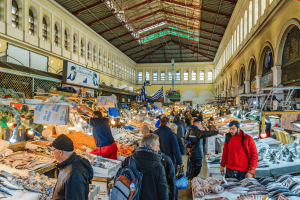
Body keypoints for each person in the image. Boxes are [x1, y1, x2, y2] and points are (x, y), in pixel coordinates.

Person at [122, 134, 169, 200]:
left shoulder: (129, 160)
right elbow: (163, 190)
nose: (159, 149)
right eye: (158, 146)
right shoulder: (158, 166)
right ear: (151, 146)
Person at [52, 134, 93, 200]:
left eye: (53, 150)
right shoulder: (69, 165)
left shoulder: (73, 174)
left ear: (60, 152)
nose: (52, 153)